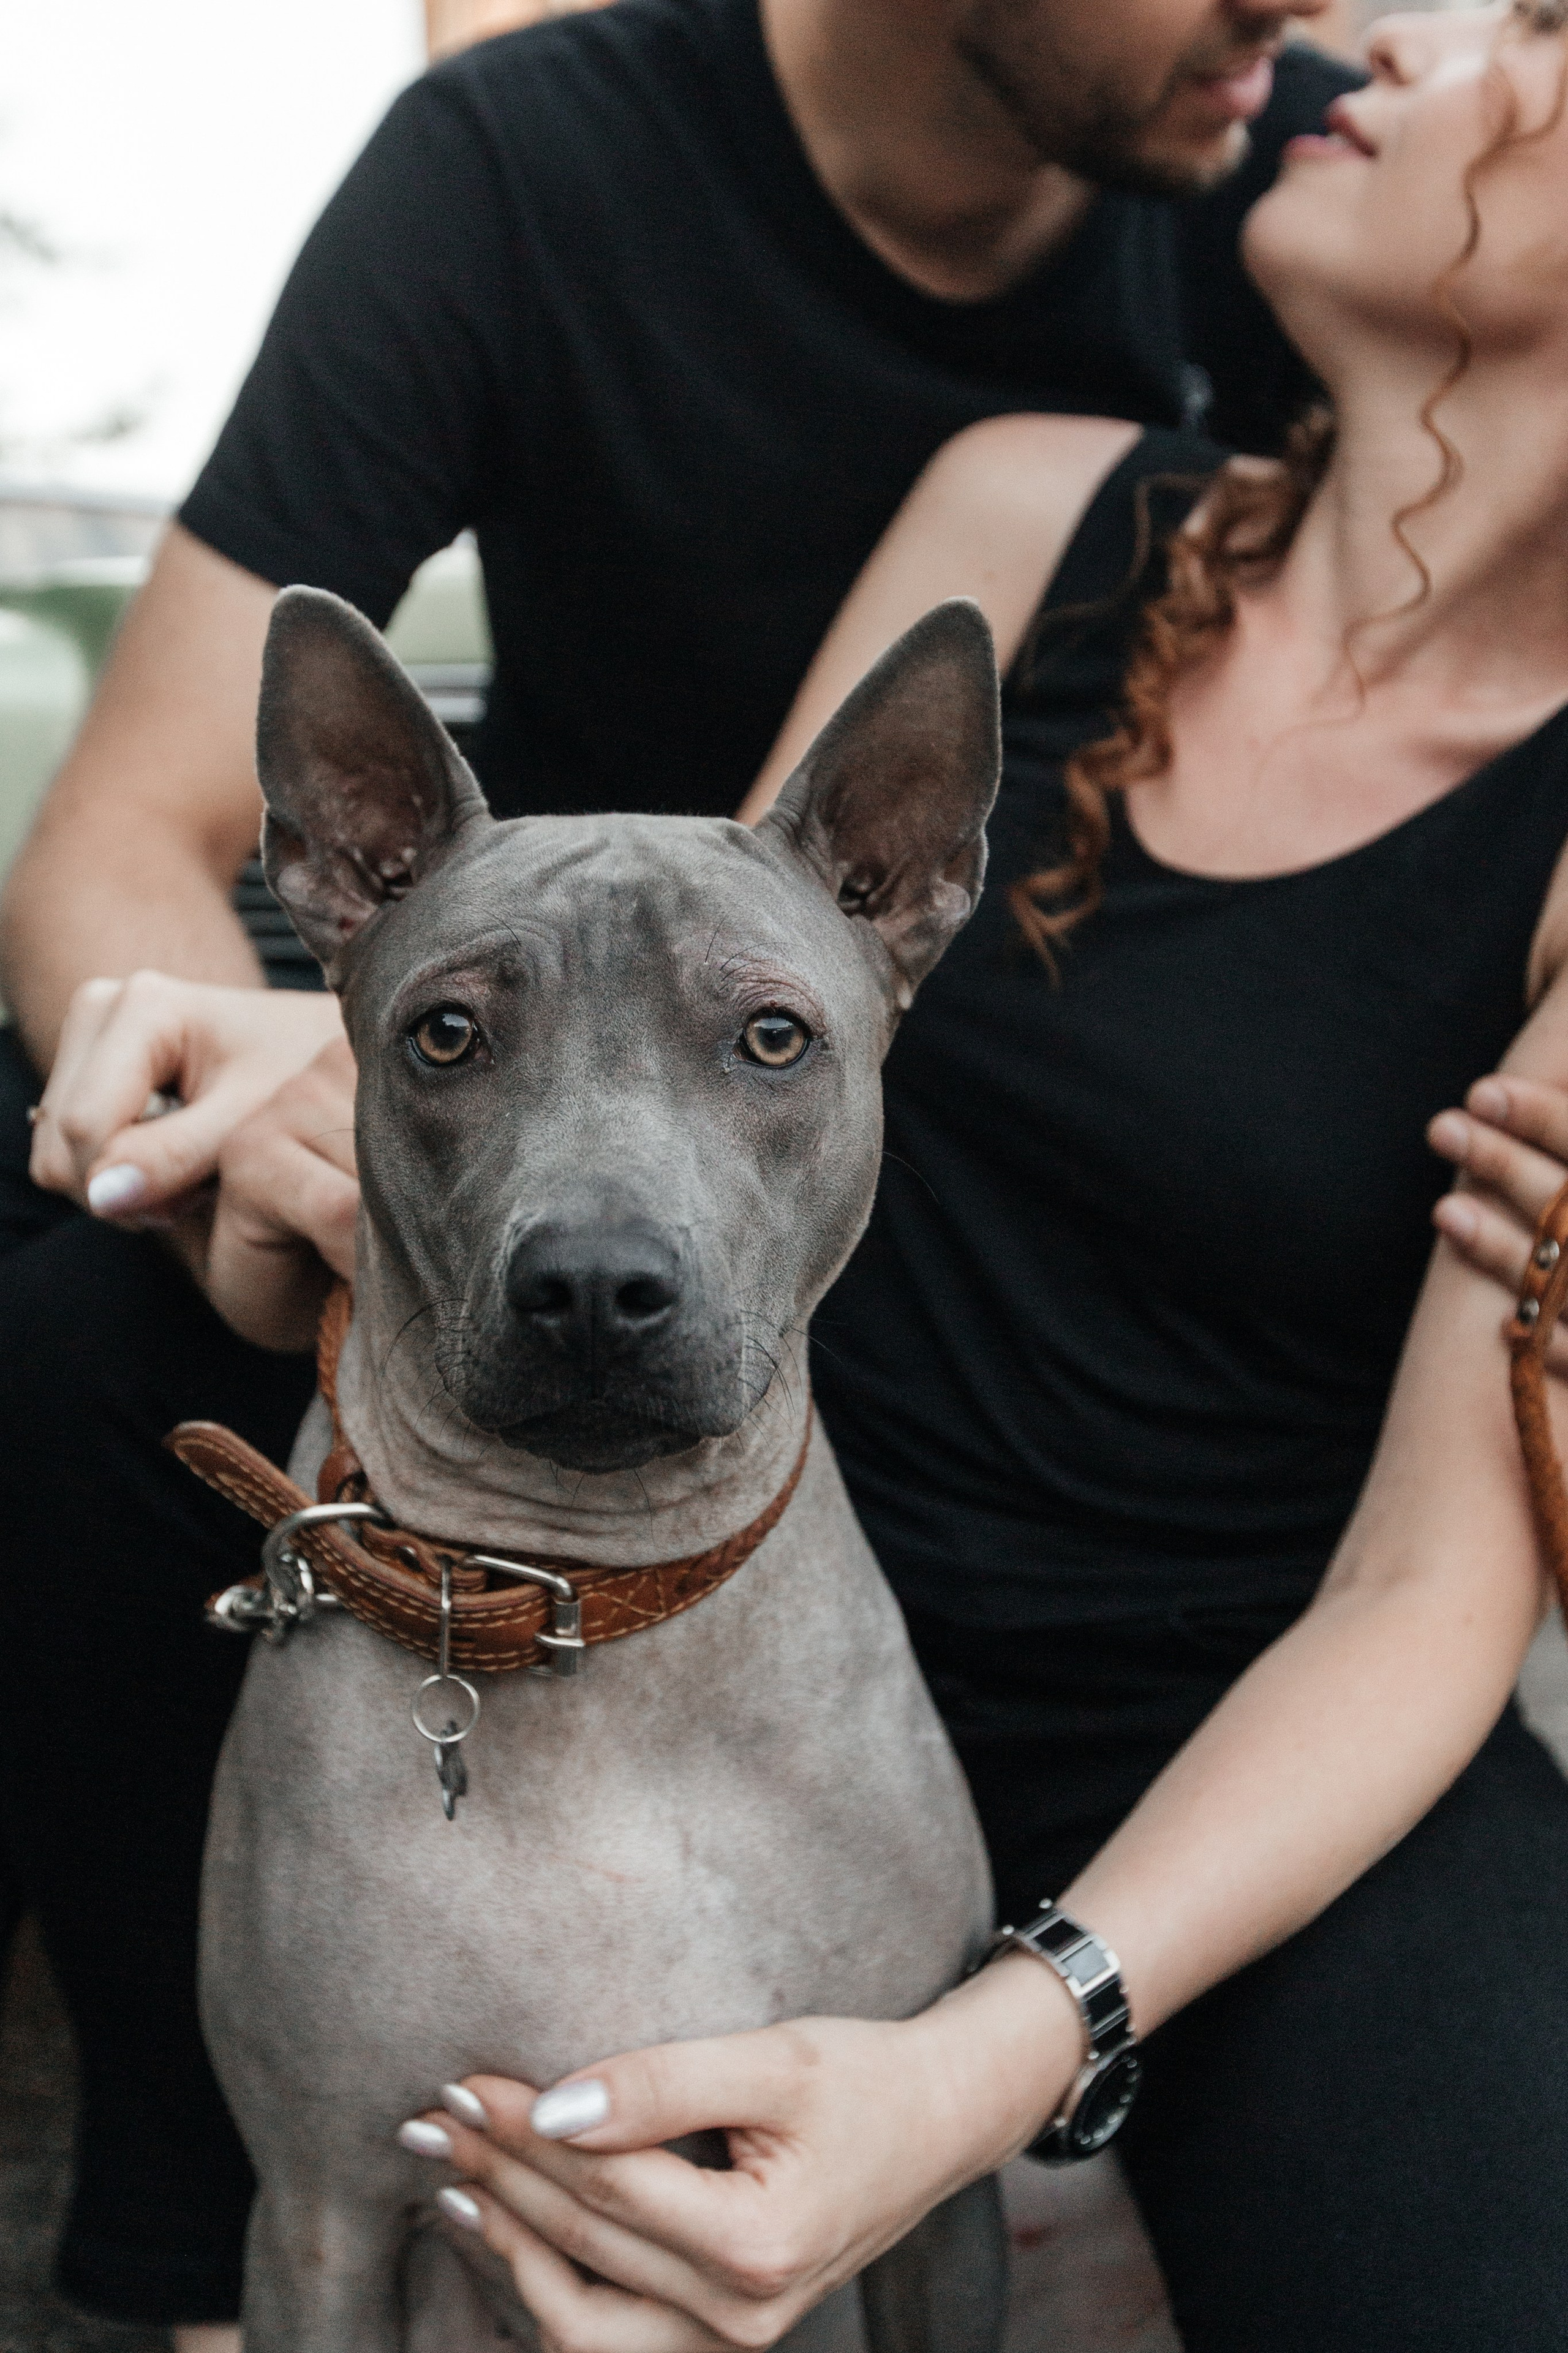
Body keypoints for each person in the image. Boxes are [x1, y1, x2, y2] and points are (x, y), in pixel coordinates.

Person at [2, 0, 1361, 2338]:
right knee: (74, 1303)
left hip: (1076, 1383)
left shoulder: (1295, 175)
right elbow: (123, 830)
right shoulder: (525, 164)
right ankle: (180, 2243)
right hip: (561, 1034)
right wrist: (316, 1138)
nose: (1313, 20)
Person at [350, 6, 1568, 2348]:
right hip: (752, 1592)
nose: (1387, 46)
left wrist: (973, 2073)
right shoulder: (1025, 513)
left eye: (1540, 35)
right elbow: (707, 1049)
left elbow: (1427, 1602)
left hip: (1245, 1725)